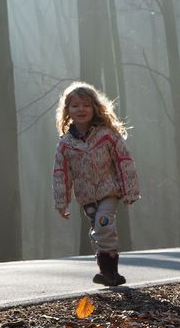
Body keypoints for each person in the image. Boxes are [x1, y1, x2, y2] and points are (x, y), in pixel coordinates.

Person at [53, 81, 140, 287]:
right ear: (68, 111)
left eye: (86, 105)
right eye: (75, 106)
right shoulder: (66, 144)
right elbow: (60, 174)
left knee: (103, 224)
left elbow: (124, 162)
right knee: (99, 231)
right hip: (86, 197)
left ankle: (110, 272)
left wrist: (130, 192)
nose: (81, 109)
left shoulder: (107, 135)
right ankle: (107, 271)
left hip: (109, 191)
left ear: (94, 108)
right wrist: (61, 202)